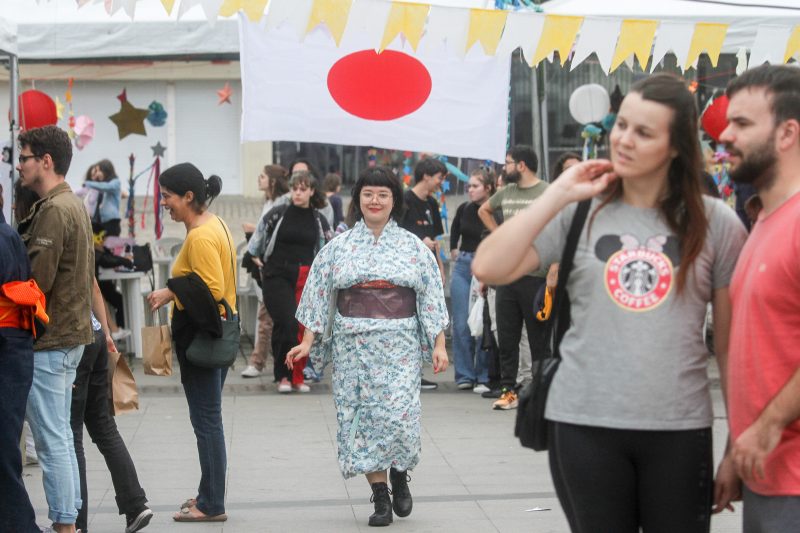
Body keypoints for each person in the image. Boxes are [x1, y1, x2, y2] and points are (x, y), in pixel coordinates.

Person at [473, 73, 747, 532]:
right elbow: (489, 266)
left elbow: (732, 347)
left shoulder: (715, 223)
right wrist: (560, 191)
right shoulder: (582, 208)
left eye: (644, 132)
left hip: (679, 426)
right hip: (582, 422)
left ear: (676, 146)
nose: (624, 140)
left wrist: (737, 441)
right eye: (621, 126)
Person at [288, 166, 449, 527]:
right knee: (358, 421)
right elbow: (318, 292)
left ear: (394, 201)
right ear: (357, 199)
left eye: (383, 195)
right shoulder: (338, 248)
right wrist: (307, 341)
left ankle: (399, 474)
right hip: (352, 350)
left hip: (400, 347)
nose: (374, 201)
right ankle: (380, 497)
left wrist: (438, 344)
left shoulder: (412, 248)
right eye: (368, 194)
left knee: (400, 419)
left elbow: (431, 295)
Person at [720, 64, 800, 531]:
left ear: (788, 133)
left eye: (743, 124)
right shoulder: (764, 220)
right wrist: (736, 445)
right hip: (766, 473)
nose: (726, 134)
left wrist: (767, 426)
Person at [146, 163, 235, 523]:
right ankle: (208, 493)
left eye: (167, 196)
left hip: (202, 340)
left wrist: (171, 291)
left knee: (207, 423)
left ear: (188, 196)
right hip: (218, 336)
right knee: (209, 420)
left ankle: (212, 503)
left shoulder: (199, 235)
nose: (163, 202)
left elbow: (210, 289)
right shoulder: (215, 223)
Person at [17, 125, 95, 533]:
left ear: (46, 161)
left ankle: (65, 523)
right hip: (71, 336)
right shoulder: (72, 202)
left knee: (51, 442)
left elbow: (36, 281)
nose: (19, 165)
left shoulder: (53, 209)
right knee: (61, 437)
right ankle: (69, 519)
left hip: (52, 340)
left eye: (25, 157)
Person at [71, 280, 152, 533]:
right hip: (94, 334)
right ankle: (135, 505)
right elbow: (94, 288)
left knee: (71, 438)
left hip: (72, 338)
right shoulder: (83, 238)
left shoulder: (53, 238)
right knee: (104, 427)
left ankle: (75, 523)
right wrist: (106, 334)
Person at [477, 145, 553, 410]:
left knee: (539, 340)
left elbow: (559, 227)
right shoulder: (506, 192)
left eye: (508, 163)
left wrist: (554, 266)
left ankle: (542, 395)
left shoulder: (546, 192)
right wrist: (500, 234)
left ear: (521, 165)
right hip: (508, 276)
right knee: (507, 339)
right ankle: (509, 391)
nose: (504, 168)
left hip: (536, 276)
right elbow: (483, 210)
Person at [248, 170, 331, 393]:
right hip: (277, 275)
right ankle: (283, 375)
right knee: (286, 322)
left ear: (312, 191)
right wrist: (256, 256)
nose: (298, 193)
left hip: (305, 277)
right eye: (294, 188)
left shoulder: (318, 219)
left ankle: (297, 376)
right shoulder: (278, 213)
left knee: (303, 328)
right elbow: (257, 239)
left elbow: (328, 249)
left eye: (303, 189)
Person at [0, 183, 45, 533]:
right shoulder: (9, 235)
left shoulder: (4, 238)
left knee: (3, 448)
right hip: (15, 348)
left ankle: (20, 525)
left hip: (8, 349)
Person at [399, 157, 447, 390]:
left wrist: (440, 267)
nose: (441, 183)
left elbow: (436, 240)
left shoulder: (432, 204)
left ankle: (419, 371)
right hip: (407, 269)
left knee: (424, 321)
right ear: (426, 176)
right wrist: (419, 241)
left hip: (427, 270)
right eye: (439, 178)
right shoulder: (404, 202)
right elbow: (397, 235)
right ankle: (408, 373)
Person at [449, 167, 495, 391]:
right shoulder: (464, 208)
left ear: (488, 188)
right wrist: (453, 249)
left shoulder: (495, 209)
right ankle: (464, 374)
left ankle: (483, 375)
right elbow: (456, 229)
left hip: (486, 264)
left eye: (475, 186)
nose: (470, 190)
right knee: (461, 322)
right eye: (469, 186)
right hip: (463, 265)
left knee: (483, 321)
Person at [240, 164, 288, 378]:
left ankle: (258, 361)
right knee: (267, 314)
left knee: (266, 314)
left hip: (275, 267)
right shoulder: (269, 202)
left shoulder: (281, 203)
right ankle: (265, 360)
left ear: (273, 181)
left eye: (262, 176)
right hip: (265, 265)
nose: (259, 180)